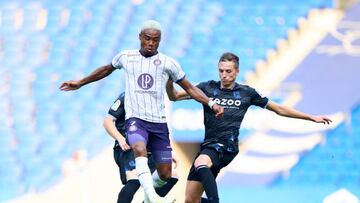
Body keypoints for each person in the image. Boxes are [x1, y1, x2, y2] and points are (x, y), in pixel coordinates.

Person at [59, 20, 224, 203]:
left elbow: (190, 88)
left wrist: (210, 103)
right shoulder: (126, 57)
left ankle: (148, 199)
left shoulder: (168, 64)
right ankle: (153, 198)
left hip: (158, 124)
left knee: (166, 173)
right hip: (136, 121)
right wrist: (80, 82)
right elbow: (106, 70)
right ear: (140, 37)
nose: (151, 43)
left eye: (156, 40)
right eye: (147, 39)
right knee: (139, 148)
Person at [165, 52, 332, 203]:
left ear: (237, 72)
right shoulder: (207, 88)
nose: (224, 75)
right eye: (221, 71)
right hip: (208, 145)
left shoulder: (247, 93)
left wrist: (311, 117)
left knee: (201, 163)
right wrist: (170, 81)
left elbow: (279, 108)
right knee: (190, 199)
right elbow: (174, 97)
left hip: (227, 145)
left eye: (228, 71)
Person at [104, 92, 178, 203]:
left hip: (148, 148)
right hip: (127, 147)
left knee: (171, 175)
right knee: (135, 178)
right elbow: (107, 121)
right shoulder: (127, 96)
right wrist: (120, 138)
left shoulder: (154, 99)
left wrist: (167, 150)